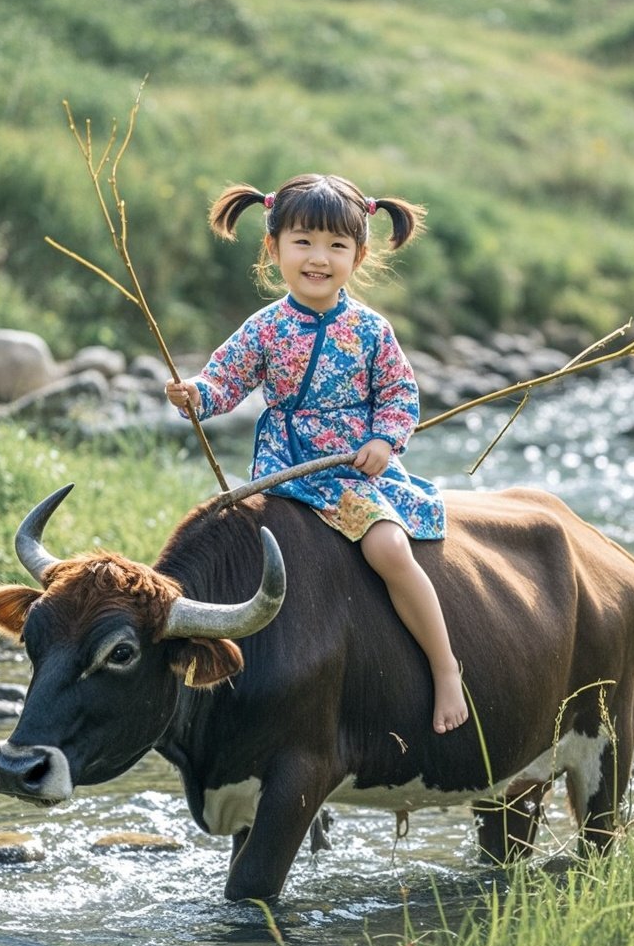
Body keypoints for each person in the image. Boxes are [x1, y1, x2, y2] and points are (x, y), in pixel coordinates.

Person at [165, 173, 468, 734]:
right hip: (285, 470)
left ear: (359, 253)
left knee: (387, 548)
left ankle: (444, 667)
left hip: (352, 471)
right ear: (273, 246)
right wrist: (196, 395)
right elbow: (225, 380)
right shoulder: (265, 328)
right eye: (303, 242)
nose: (318, 258)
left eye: (336, 246)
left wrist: (383, 440)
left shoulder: (371, 330)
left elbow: (400, 395)